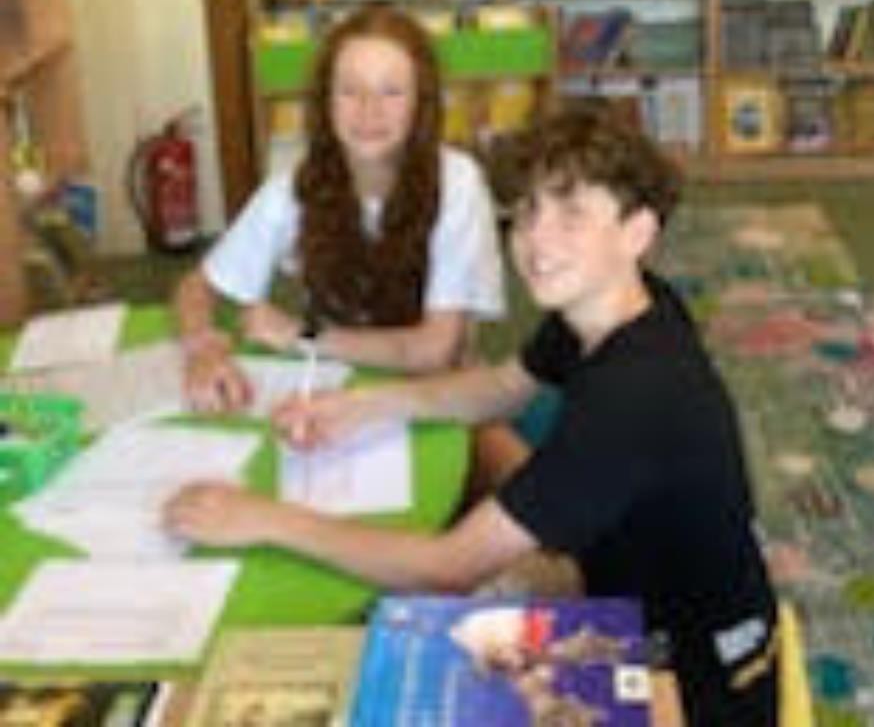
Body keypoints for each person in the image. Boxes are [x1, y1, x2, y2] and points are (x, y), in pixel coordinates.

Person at [164, 104, 778, 726]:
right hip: (654, 603)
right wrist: (362, 408)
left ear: (636, 233)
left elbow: (449, 568)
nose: (537, 239)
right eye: (530, 209)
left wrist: (266, 520)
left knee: (377, 665)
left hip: (689, 687)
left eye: (572, 214)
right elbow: (499, 388)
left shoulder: (632, 399)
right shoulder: (615, 306)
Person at [174, 3, 505, 412]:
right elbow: (197, 286)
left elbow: (435, 350)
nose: (369, 110)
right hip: (341, 380)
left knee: (495, 443)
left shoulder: (457, 182)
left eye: (391, 92)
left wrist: (300, 335)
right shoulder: (296, 185)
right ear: (325, 102)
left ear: (421, 103)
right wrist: (202, 348)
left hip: (436, 388)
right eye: (350, 90)